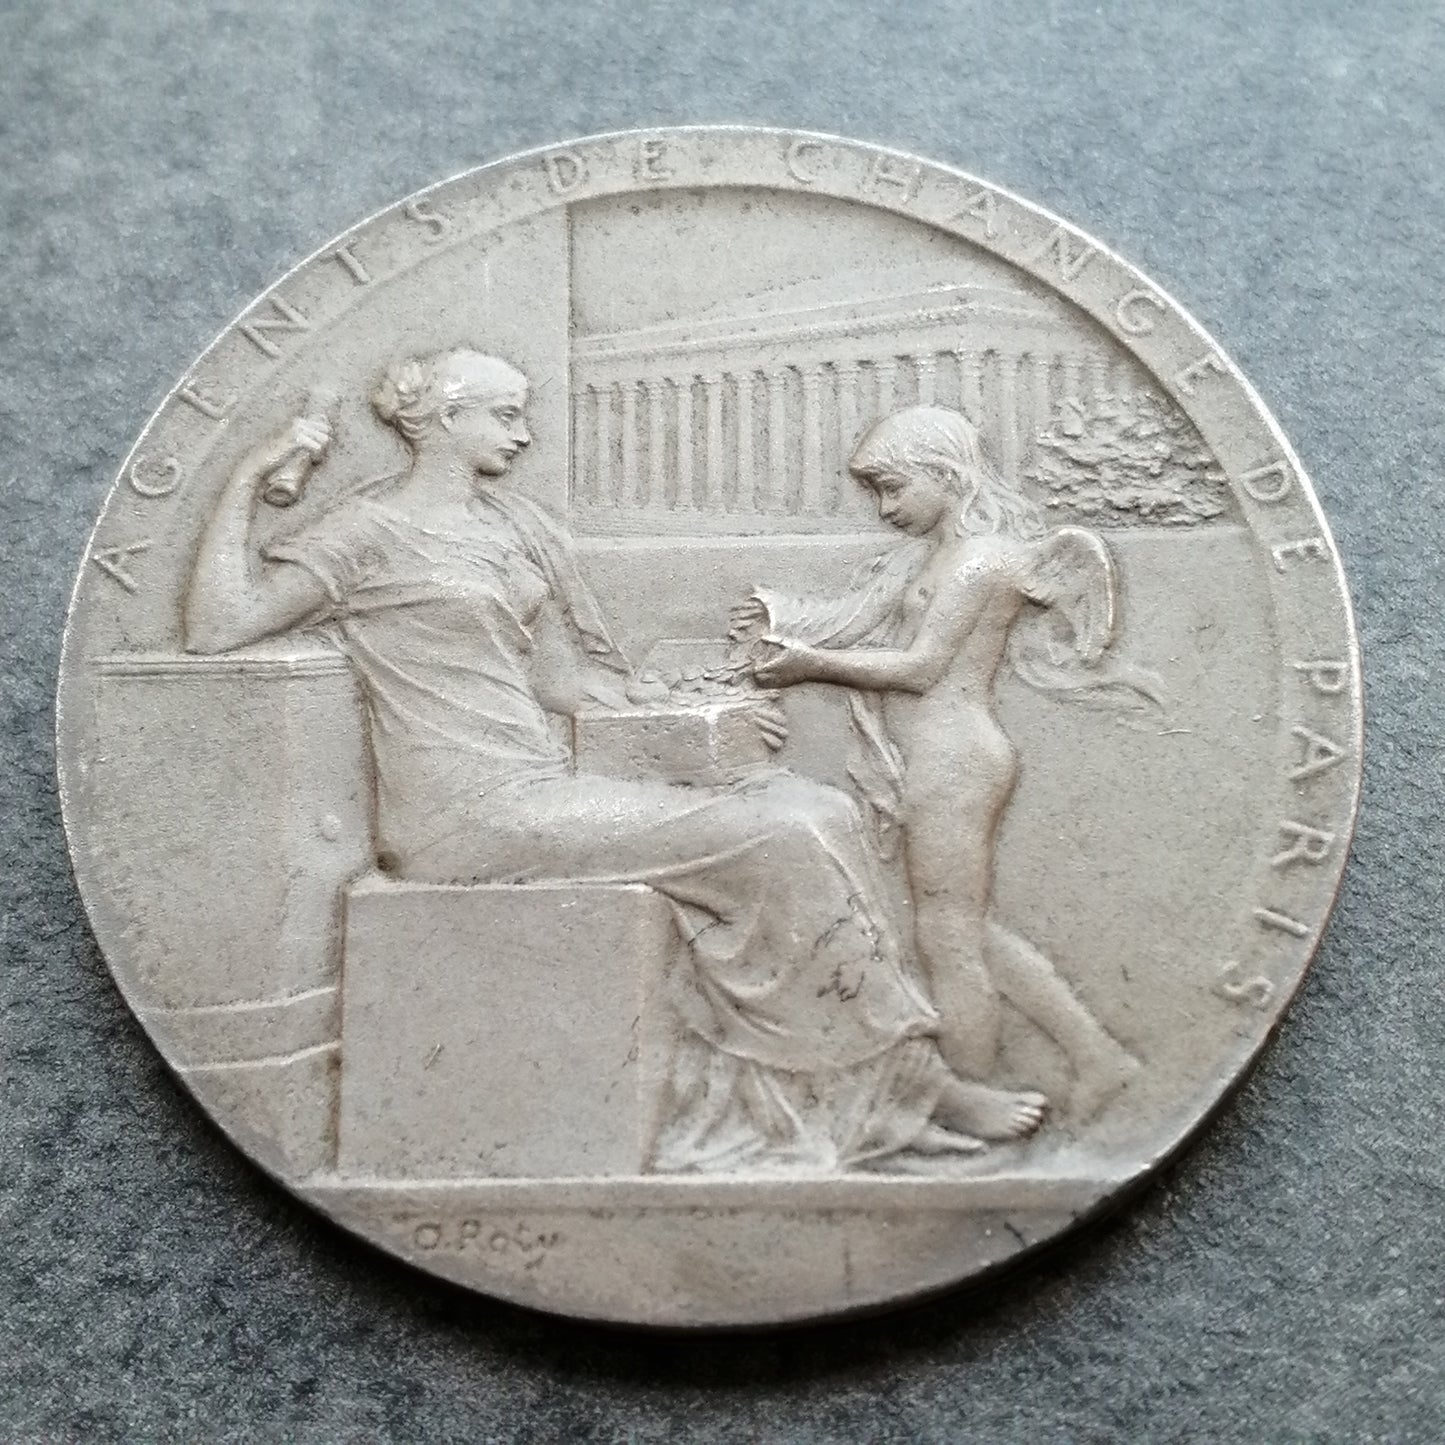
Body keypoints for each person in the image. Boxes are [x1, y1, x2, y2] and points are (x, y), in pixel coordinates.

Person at [183, 351, 1046, 1172]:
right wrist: (248, 478)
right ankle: (906, 1094)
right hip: (463, 813)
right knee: (781, 832)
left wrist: (699, 711)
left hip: (539, 789)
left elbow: (567, 685)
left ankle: (857, 1092)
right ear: (445, 419)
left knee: (820, 808)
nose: (523, 433)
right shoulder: (363, 533)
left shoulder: (509, 530)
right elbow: (220, 625)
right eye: (505, 415)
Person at [747, 405, 1151, 1118]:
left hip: (955, 758)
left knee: (947, 939)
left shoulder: (979, 559)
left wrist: (810, 665)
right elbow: (859, 613)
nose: (884, 508)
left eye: (893, 487)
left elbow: (921, 666)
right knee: (967, 929)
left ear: (945, 472)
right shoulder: (938, 555)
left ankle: (970, 1095)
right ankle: (1097, 1056)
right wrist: (779, 618)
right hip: (933, 757)